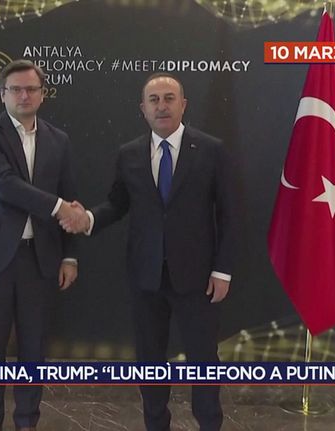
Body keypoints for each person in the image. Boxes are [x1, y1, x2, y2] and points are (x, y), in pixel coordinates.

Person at [61, 72, 235, 431]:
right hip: (146, 276)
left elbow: (229, 214)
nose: (162, 106)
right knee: (150, 359)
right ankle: (156, 424)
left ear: (183, 104)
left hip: (198, 277)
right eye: (154, 100)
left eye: (169, 98)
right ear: (143, 108)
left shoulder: (211, 149)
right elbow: (117, 203)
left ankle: (209, 424)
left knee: (204, 359)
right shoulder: (129, 154)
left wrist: (222, 270)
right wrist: (87, 219)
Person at [0, 59, 87, 431]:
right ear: (3, 94)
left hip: (40, 258)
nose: (24, 95)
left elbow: (69, 194)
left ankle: (27, 421)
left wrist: (70, 256)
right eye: (16, 89)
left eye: (31, 89)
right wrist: (60, 207)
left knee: (34, 347)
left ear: (43, 94)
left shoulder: (59, 140)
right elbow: (3, 184)